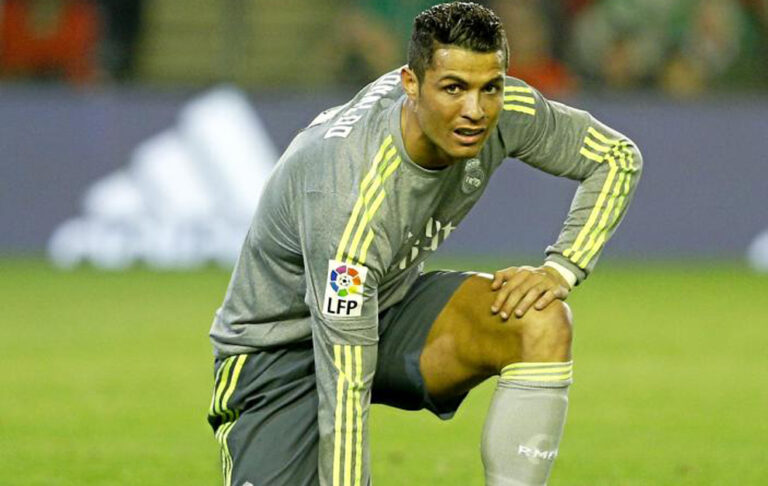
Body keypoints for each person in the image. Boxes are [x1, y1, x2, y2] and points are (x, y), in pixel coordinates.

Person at [207, 3, 642, 485]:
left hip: (386, 310)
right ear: (410, 84)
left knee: (539, 319)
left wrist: (562, 268)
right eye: (453, 88)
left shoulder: (505, 112)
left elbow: (617, 157)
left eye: (490, 87)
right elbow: (345, 384)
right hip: (278, 355)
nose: (475, 110)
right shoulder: (348, 198)